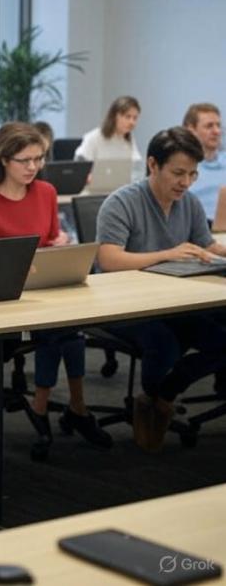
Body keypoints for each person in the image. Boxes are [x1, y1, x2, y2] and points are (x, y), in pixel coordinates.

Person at [0, 122, 112, 457]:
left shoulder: (45, 192)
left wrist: (62, 243)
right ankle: (53, 408)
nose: (33, 167)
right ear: (4, 160)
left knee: (70, 330)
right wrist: (13, 266)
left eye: (39, 159)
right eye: (25, 160)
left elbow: (51, 240)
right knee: (60, 332)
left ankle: (70, 406)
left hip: (41, 290)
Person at [96, 127, 226, 452]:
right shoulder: (121, 202)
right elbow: (108, 260)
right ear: (153, 165)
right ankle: (152, 400)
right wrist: (167, 254)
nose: (186, 182)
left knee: (221, 340)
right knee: (165, 344)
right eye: (178, 173)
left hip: (174, 301)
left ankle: (163, 395)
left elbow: (206, 245)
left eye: (193, 174)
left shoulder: (189, 202)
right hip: (123, 305)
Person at [182, 103, 223, 220]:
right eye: (209, 126)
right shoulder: (181, 168)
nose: (217, 131)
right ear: (191, 130)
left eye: (218, 125)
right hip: (200, 227)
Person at [74, 95, 142, 164]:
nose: (132, 122)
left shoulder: (129, 138)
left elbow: (136, 164)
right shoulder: (94, 137)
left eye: (135, 118)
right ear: (115, 116)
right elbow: (79, 163)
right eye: (127, 117)